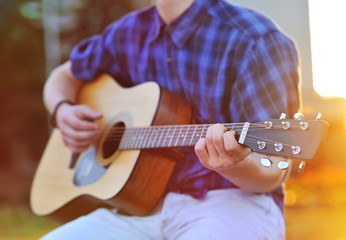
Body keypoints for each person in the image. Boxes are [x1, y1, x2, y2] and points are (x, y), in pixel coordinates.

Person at [41, 0, 301, 239]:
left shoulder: (255, 39)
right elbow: (62, 77)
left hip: (232, 203)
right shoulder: (126, 32)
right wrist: (62, 110)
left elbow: (273, 169)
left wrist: (235, 164)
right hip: (137, 211)